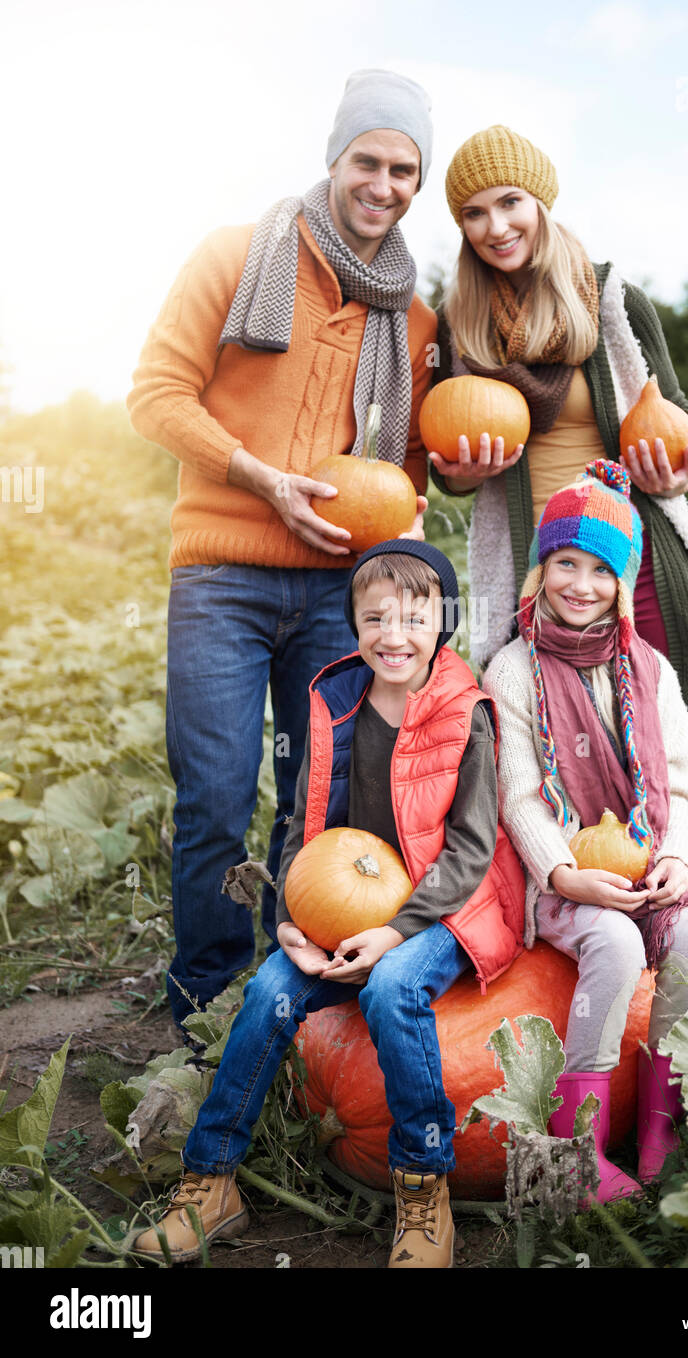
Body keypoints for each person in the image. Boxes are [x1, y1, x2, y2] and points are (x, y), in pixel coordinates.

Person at [126, 70, 439, 1030]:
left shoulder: (416, 321)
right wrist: (258, 476)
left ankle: (288, 992)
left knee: (318, 798)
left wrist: (444, 485)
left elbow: (419, 464)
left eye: (403, 169)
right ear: (334, 160)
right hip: (221, 575)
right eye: (366, 161)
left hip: (336, 589)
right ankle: (207, 1000)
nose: (381, 184)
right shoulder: (235, 257)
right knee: (217, 795)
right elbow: (154, 394)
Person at [131, 540, 525, 1268]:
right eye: (374, 617)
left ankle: (421, 1184)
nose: (393, 634)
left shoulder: (464, 711)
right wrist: (287, 919)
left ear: (443, 621)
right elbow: (297, 825)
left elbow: (471, 851)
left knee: (393, 987)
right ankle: (211, 1181)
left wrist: (395, 932)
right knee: (270, 994)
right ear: (352, 622)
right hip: (339, 903)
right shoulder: (331, 702)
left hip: (442, 909)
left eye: (414, 616)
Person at [428, 125, 688, 838]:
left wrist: (675, 461)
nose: (495, 226)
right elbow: (450, 456)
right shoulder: (459, 324)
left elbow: (673, 413)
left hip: (628, 544)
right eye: (473, 213)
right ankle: (578, 873)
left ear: (540, 199)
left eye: (509, 202)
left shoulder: (609, 297)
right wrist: (460, 477)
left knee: (672, 706)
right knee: (552, 720)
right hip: (533, 556)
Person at [483, 462, 688, 1201]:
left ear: (622, 583)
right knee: (613, 942)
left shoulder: (649, 669)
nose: (580, 584)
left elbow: (680, 786)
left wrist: (679, 860)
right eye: (564, 564)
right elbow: (520, 797)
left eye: (599, 570)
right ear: (539, 570)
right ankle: (574, 1145)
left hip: (642, 861)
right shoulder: (511, 669)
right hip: (563, 877)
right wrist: (562, 873)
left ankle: (660, 1127)